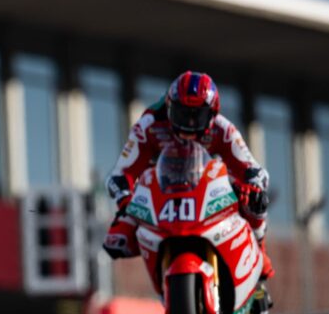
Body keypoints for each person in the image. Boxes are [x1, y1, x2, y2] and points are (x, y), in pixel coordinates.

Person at [103, 71, 274, 279]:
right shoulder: (149, 125)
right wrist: (125, 202)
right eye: (182, 114)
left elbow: (255, 170)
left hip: (210, 190)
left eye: (197, 116)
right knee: (116, 239)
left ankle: (259, 259)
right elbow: (119, 175)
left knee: (256, 202)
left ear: (212, 114)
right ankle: (163, 281)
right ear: (169, 107)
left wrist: (253, 187)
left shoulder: (223, 128)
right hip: (163, 195)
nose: (188, 125)